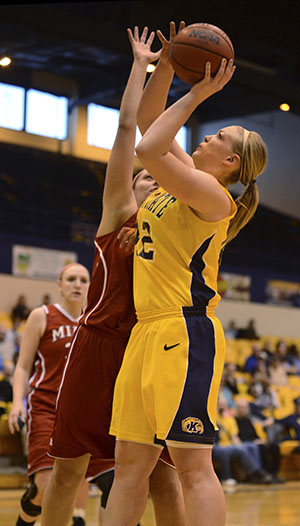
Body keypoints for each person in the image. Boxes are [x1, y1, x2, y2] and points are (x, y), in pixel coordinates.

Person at [103, 21, 267, 526]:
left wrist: (196, 92)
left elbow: (148, 148)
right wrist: (168, 64)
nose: (208, 135)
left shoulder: (213, 196)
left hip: (184, 331)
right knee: (129, 468)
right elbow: (151, 121)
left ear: (230, 160)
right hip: (146, 331)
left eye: (218, 136)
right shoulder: (187, 179)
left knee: (194, 466)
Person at [40, 26, 185, 526]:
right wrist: (143, 66)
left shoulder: (179, 225)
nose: (148, 178)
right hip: (98, 345)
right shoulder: (118, 213)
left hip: (149, 347)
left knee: (161, 477)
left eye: (156, 175)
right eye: (143, 174)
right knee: (67, 471)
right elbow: (129, 132)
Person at [8, 262, 91, 526]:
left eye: (83, 280)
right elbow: (22, 366)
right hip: (44, 406)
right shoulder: (42, 315)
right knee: (45, 485)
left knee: (75, 479)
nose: (77, 284)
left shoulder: (94, 321)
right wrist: (16, 404)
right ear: (59, 284)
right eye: (71, 279)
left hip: (79, 412)